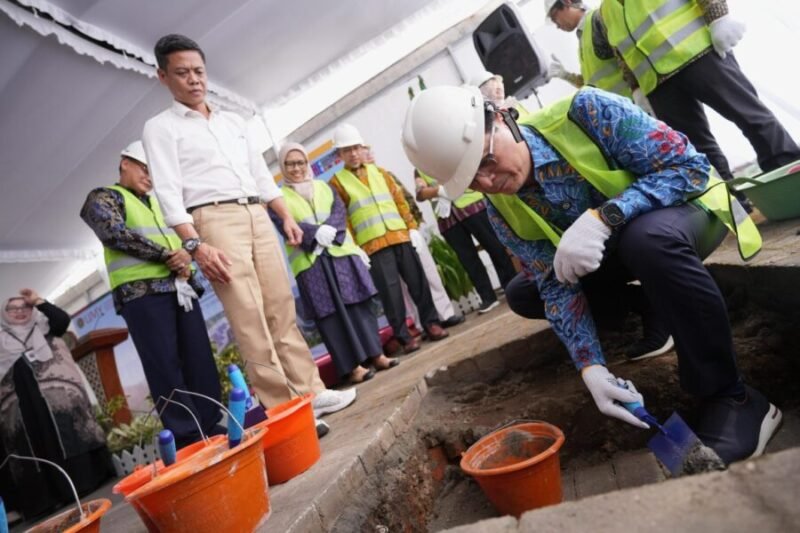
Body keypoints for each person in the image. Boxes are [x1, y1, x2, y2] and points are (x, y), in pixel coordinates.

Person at [402, 84, 782, 465]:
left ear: (502, 118)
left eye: (486, 161)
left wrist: (607, 216)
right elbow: (554, 285)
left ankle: (734, 398)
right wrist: (590, 367)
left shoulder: (586, 113)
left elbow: (690, 169)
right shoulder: (500, 209)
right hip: (627, 250)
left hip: (690, 212)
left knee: (645, 240)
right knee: (525, 292)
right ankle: (652, 306)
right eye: (472, 181)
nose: (488, 183)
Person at [141, 34, 355, 428]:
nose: (194, 79)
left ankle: (312, 392)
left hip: (257, 212)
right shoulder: (160, 128)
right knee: (249, 317)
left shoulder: (232, 121)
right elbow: (168, 193)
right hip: (213, 219)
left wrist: (284, 215)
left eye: (199, 71)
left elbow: (259, 173)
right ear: (163, 77)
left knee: (281, 307)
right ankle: (287, 412)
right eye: (183, 73)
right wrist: (196, 245)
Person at [80, 141, 224, 448]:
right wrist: (166, 256)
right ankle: (188, 436)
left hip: (180, 289)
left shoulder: (161, 204)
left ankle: (212, 424)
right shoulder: (104, 196)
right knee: (164, 365)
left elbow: (185, 242)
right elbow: (113, 232)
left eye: (155, 172)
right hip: (142, 295)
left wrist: (185, 257)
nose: (150, 177)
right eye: (145, 169)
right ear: (125, 163)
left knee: (199, 358)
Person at [598, 0, 800, 186]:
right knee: (695, 151)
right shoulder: (606, 10)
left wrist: (718, 17)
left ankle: (789, 179)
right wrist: (635, 87)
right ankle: (732, 203)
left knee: (750, 117)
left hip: (699, 54)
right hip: (657, 84)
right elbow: (620, 52)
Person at [273, 142, 399, 384]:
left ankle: (377, 355)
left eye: (300, 163)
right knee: (330, 316)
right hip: (311, 263)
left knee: (359, 305)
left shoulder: (324, 187)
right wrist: (314, 236)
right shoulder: (279, 199)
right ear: (282, 167)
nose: (296, 168)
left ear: (307, 163)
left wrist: (330, 232)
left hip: (340, 254)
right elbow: (283, 224)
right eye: (290, 164)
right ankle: (352, 368)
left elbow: (339, 212)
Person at [329, 124, 448, 355]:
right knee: (391, 294)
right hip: (373, 245)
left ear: (362, 148)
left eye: (356, 148)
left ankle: (432, 324)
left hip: (400, 235)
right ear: (339, 155)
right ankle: (404, 337)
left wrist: (411, 228)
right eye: (347, 150)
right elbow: (343, 219)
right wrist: (354, 247)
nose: (353, 154)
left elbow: (400, 202)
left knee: (418, 283)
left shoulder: (381, 173)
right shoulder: (336, 184)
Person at [0, 289, 113, 520]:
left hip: (61, 401)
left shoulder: (45, 326)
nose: (19, 312)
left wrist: (38, 301)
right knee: (33, 446)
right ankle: (49, 499)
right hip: (22, 408)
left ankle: (84, 483)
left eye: (25, 307)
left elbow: (62, 319)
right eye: (13, 309)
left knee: (70, 435)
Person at [362, 145, 465, 328]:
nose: (369, 155)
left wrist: (415, 225)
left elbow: (407, 200)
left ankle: (445, 314)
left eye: (370, 151)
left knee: (430, 274)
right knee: (405, 287)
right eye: (364, 152)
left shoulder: (386, 175)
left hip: (409, 232)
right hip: (386, 242)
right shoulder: (360, 185)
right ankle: (421, 324)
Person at [415, 169, 516, 314]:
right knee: (468, 260)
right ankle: (487, 297)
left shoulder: (452, 154)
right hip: (447, 217)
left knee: (495, 247)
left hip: (472, 205)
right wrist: (439, 190)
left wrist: (436, 190)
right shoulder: (419, 169)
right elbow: (420, 193)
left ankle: (511, 286)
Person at [544, 0, 633, 101]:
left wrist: (636, 91)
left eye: (554, 17)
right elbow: (591, 87)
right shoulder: (584, 38)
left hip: (632, 104)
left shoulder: (597, 22)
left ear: (566, 2)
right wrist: (566, 76)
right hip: (618, 108)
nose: (557, 26)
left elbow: (627, 58)